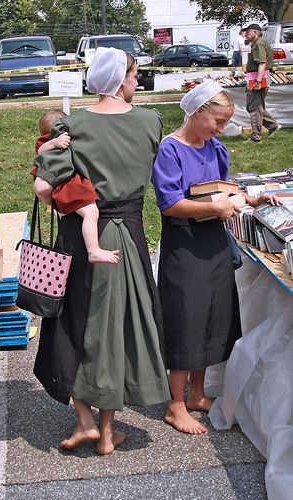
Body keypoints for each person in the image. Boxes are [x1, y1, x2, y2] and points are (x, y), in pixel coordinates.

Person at [33, 47, 171, 455]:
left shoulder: (69, 127)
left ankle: (85, 422)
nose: (136, 82)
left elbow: (44, 188)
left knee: (77, 325)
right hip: (128, 237)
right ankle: (108, 433)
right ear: (121, 79)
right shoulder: (150, 121)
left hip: (81, 238)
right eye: (133, 75)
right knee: (119, 329)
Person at [151, 80, 280, 435]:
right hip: (184, 245)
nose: (222, 129)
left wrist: (251, 200)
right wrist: (216, 206)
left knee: (210, 315)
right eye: (218, 121)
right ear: (197, 112)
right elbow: (170, 203)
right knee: (186, 319)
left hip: (214, 244)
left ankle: (196, 393)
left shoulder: (216, 148)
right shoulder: (170, 150)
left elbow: (225, 188)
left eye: (225, 123)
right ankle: (175, 404)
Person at [33, 110, 120, 265]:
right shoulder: (56, 140)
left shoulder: (45, 141)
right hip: (69, 185)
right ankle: (93, 250)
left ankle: (93, 249)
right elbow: (41, 151)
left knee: (88, 214)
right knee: (91, 213)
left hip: (60, 188)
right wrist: (54, 142)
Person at [245, 23, 281, 143]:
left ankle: (256, 137)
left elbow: (262, 63)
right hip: (256, 78)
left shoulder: (259, 44)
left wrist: (258, 81)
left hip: (258, 79)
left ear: (255, 33)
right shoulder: (259, 43)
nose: (245, 35)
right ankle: (273, 126)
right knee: (254, 107)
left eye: (248, 32)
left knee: (254, 108)